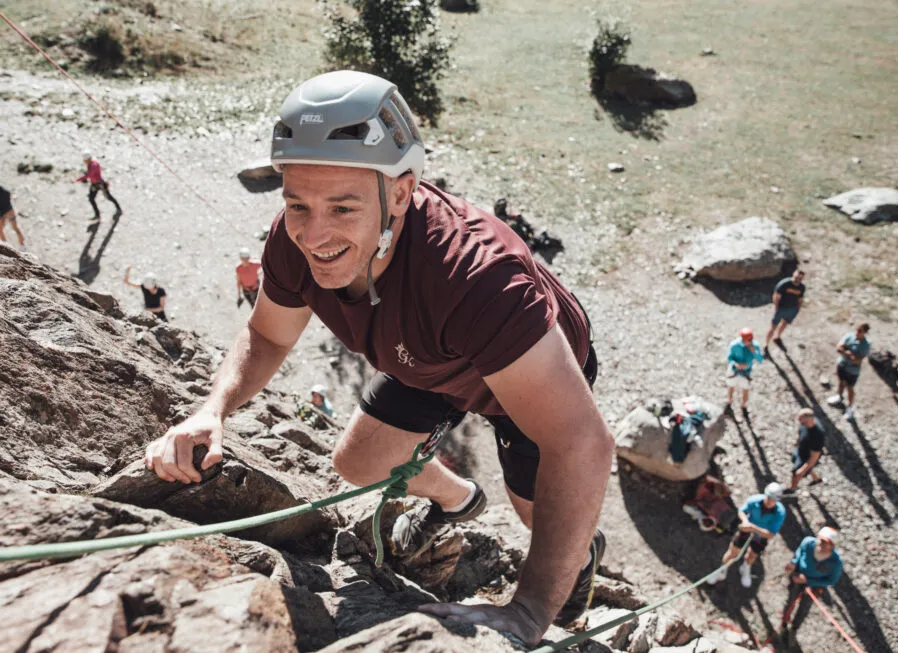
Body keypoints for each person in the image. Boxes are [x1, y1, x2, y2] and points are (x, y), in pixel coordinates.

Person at [142, 70, 614, 646]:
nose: (315, 235)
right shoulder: (293, 241)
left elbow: (580, 442)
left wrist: (529, 612)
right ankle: (460, 498)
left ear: (400, 190)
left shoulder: (476, 279)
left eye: (343, 209)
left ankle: (581, 558)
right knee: (359, 463)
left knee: (538, 514)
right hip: (427, 355)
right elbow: (267, 338)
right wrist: (212, 409)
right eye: (297, 205)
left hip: (521, 372)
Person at [707, 482, 786, 588]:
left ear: (777, 501)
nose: (769, 501)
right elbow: (742, 511)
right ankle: (722, 570)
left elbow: (771, 534)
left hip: (760, 536)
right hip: (746, 529)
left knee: (752, 555)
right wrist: (745, 521)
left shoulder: (780, 513)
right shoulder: (754, 500)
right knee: (732, 552)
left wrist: (752, 528)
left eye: (773, 500)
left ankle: (746, 567)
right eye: (768, 497)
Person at [830, 323, 871, 421]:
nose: (857, 333)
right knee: (841, 382)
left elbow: (857, 360)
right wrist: (847, 353)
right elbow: (839, 348)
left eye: (860, 331)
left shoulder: (865, 345)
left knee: (850, 387)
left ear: (865, 332)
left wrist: (846, 352)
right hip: (842, 364)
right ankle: (839, 397)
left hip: (852, 370)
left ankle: (849, 408)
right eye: (857, 330)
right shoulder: (849, 336)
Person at [785, 526, 843, 591]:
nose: (822, 544)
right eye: (821, 540)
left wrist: (808, 581)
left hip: (813, 585)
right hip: (798, 573)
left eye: (826, 543)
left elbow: (831, 581)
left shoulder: (836, 563)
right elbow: (800, 551)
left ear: (832, 546)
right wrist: (794, 563)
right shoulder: (808, 542)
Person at [764, 269, 806, 355]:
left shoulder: (802, 287)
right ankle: (766, 345)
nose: (798, 279)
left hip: (792, 309)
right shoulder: (784, 284)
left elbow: (800, 299)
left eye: (800, 278)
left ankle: (777, 337)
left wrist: (798, 309)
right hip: (781, 308)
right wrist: (776, 308)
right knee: (773, 327)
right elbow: (776, 296)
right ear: (793, 274)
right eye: (797, 277)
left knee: (784, 324)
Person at [726, 327, 765, 414]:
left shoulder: (755, 346)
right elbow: (729, 357)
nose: (749, 342)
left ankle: (744, 405)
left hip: (746, 372)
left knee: (745, 389)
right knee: (731, 386)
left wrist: (754, 352)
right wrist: (735, 364)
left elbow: (760, 360)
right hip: (734, 370)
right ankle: (729, 401)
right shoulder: (734, 345)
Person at [74, 152, 121, 223]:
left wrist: (77, 180)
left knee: (108, 197)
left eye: (85, 160)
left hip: (100, 184)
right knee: (91, 199)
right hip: (94, 184)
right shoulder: (90, 164)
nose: (84, 162)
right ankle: (97, 215)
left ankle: (118, 208)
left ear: (88, 159)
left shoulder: (94, 165)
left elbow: (89, 175)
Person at [788, 408, 825, 491]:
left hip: (806, 457)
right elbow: (800, 431)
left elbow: (814, 457)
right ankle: (816, 479)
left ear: (809, 419)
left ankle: (792, 488)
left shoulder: (817, 436)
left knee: (796, 474)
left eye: (801, 419)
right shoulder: (804, 424)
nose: (799, 420)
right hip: (800, 450)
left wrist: (802, 470)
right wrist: (797, 441)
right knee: (796, 463)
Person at [0, 185, 27, 252]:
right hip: (9, 211)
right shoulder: (4, 191)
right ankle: (22, 246)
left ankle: (5, 246)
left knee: (0, 230)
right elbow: (9, 195)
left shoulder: (3, 191)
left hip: (2, 212)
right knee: (15, 228)